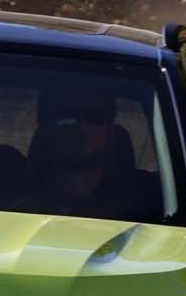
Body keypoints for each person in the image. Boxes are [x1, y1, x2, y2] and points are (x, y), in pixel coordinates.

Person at [20, 86, 151, 220]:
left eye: (95, 117)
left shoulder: (145, 203)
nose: (81, 127)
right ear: (45, 130)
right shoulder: (12, 196)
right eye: (66, 116)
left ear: (111, 131)